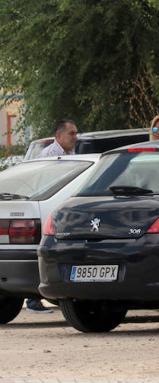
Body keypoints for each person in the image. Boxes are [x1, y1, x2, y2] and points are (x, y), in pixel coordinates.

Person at [28, 119, 80, 313]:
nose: (76, 137)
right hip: (48, 209)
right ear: (59, 136)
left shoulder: (71, 154)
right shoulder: (49, 156)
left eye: (76, 133)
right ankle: (34, 301)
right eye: (72, 133)